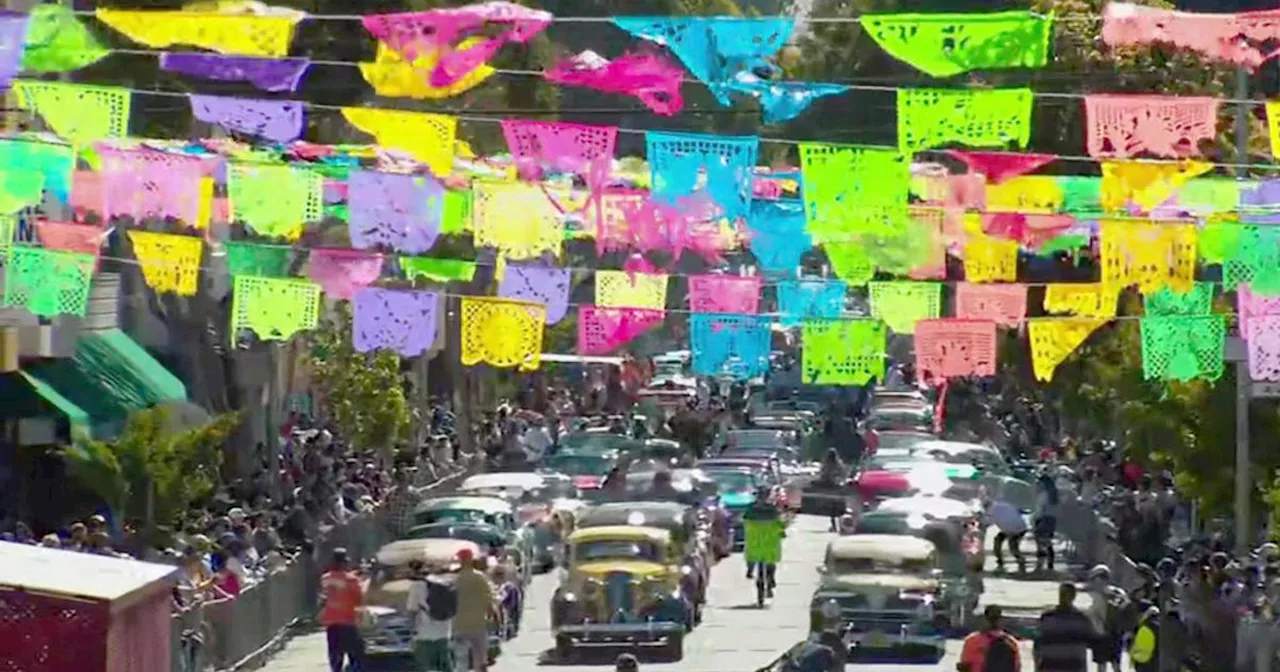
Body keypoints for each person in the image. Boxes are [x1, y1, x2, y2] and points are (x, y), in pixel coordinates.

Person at [319, 547, 366, 672]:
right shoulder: (351, 580)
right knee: (355, 654)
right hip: (348, 620)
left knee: (335, 653)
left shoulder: (325, 579)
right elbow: (358, 599)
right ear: (344, 563)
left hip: (331, 621)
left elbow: (323, 598)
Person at [406, 559, 456, 672]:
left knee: (423, 666)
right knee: (445, 666)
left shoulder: (417, 586)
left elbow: (412, 610)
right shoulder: (446, 583)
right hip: (444, 631)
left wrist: (411, 633)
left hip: (424, 634)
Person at [1034, 582, 1095, 672]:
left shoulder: (1047, 617)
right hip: (1064, 667)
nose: (1063, 597)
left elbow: (1037, 645)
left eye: (1065, 594)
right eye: (1062, 594)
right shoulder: (1081, 619)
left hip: (1055, 666)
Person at [453, 548, 495, 672]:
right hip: (478, 623)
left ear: (460, 560)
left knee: (461, 660)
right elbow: (488, 599)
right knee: (481, 657)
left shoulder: (455, 579)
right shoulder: (480, 577)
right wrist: (492, 616)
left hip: (459, 624)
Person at [742, 486, 785, 593]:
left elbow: (745, 521)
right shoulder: (773, 509)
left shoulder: (751, 508)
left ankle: (750, 570)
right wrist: (782, 531)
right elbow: (779, 523)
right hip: (770, 540)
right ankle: (770, 579)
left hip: (755, 540)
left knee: (751, 555)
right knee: (770, 561)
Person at [958, 605, 1021, 672]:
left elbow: (965, 666)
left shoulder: (973, 641)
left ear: (984, 619)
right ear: (1000, 620)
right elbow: (1017, 667)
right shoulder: (1010, 642)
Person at [987, 494, 1029, 573]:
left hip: (1011, 529)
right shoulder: (1003, 504)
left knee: (1008, 545)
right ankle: (1018, 559)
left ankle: (1004, 560)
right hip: (1021, 527)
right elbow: (1018, 510)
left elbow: (987, 522)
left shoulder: (990, 512)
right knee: (1009, 544)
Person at [1033, 473, 1060, 572]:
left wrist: (1035, 519)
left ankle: (1042, 558)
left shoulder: (1043, 495)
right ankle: (1049, 562)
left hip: (1043, 518)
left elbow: (1039, 509)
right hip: (1052, 519)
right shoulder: (1054, 494)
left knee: (1040, 538)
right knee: (1047, 539)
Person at [1129, 604, 1159, 672]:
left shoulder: (1142, 627)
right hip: (1154, 661)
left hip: (1141, 660)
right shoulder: (1161, 628)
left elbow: (1135, 644)